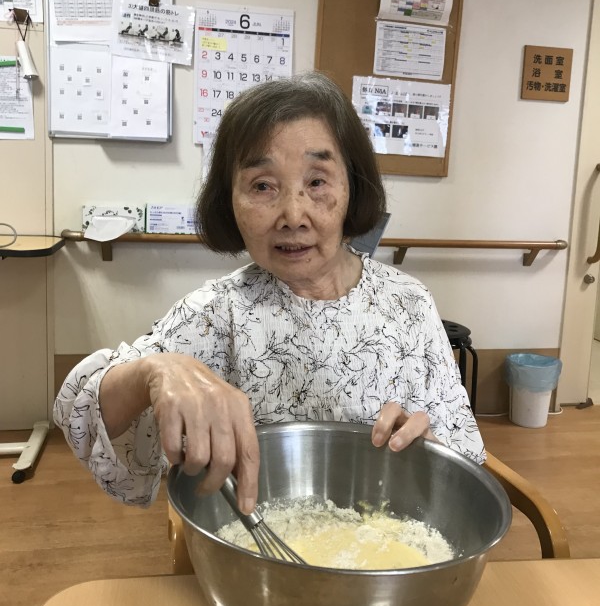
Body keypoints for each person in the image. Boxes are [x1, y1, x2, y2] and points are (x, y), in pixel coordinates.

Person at [54, 72, 485, 512]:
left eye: (317, 182)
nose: (293, 215)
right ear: (229, 200)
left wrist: (429, 452)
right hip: (252, 539)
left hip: (389, 537)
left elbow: (465, 458)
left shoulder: (408, 302)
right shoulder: (216, 314)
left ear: (352, 186)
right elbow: (78, 414)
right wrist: (154, 371)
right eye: (262, 186)